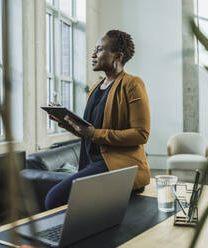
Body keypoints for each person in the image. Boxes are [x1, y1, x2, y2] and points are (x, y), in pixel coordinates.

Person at [45, 30, 151, 210]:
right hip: (93, 162)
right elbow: (89, 132)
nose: (93, 54)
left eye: (100, 50)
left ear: (117, 56)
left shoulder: (133, 84)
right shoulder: (96, 87)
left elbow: (141, 134)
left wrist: (95, 133)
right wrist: (64, 120)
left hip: (118, 165)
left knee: (53, 199)